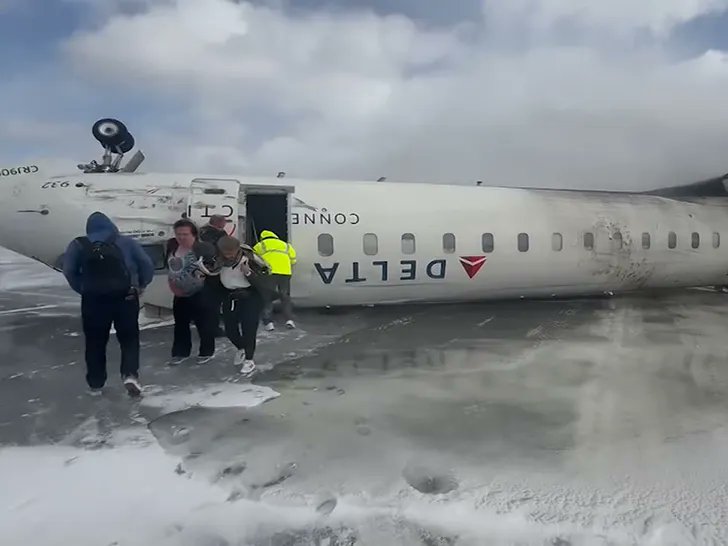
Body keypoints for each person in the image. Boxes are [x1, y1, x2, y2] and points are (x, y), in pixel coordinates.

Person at [62, 211, 154, 397]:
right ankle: (130, 375)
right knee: (129, 339)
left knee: (95, 341)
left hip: (93, 300)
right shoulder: (126, 242)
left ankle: (96, 383)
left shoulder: (79, 244)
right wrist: (141, 284)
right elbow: (146, 265)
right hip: (125, 297)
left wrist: (83, 288)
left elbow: (69, 270)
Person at [165, 218, 219, 365]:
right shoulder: (172, 246)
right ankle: (180, 352)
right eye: (178, 234)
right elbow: (170, 267)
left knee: (204, 323)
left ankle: (206, 351)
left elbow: (214, 269)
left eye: (185, 234)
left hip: (201, 292)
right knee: (181, 323)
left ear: (193, 234)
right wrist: (172, 284)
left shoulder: (203, 248)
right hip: (179, 292)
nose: (181, 237)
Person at [215, 235, 271, 375]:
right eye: (225, 253)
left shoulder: (249, 259)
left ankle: (249, 359)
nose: (228, 256)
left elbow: (265, 276)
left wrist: (249, 273)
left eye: (231, 252)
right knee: (229, 329)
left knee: (249, 329)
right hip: (231, 295)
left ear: (237, 249)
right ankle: (241, 348)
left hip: (250, 296)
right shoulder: (218, 260)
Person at [252, 229, 297, 330]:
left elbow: (253, 259)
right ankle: (289, 320)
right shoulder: (285, 245)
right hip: (285, 273)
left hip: (269, 273)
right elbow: (294, 260)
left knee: (267, 297)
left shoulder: (261, 245)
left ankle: (268, 323)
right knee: (285, 296)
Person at [198, 214, 228, 338]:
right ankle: (213, 328)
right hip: (214, 270)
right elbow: (224, 249)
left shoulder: (201, 231)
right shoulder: (217, 234)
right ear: (218, 223)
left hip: (201, 269)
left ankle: (205, 325)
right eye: (224, 222)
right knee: (214, 301)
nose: (225, 224)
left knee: (206, 300)